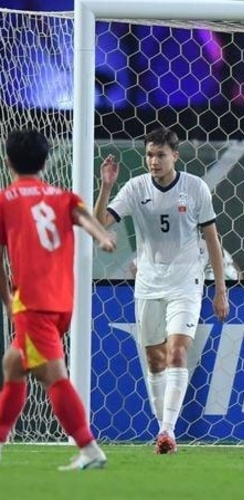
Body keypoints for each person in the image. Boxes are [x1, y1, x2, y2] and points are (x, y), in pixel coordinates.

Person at [93, 127, 229, 454]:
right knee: (155, 362)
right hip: (148, 283)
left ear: (175, 156)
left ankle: (168, 430)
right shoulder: (135, 187)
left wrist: (220, 288)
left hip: (186, 282)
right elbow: (99, 223)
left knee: (177, 352)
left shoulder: (195, 188)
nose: (154, 161)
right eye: (150, 155)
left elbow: (212, 239)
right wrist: (106, 186)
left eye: (160, 155)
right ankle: (162, 431)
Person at [0, 129, 116, 470]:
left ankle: (89, 448)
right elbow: (83, 217)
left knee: (54, 376)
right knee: (13, 365)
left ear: (8, 161)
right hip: (62, 301)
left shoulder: (5, 200)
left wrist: (8, 302)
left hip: (32, 303)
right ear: (45, 161)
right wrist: (102, 236)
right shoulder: (61, 195)